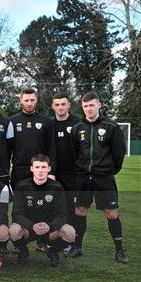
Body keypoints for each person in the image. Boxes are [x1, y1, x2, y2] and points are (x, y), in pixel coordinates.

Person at [70, 91, 128, 263]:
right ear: (82, 107)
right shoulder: (77, 128)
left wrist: (106, 171)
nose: (89, 108)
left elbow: (119, 155)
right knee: (80, 211)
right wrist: (82, 170)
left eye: (92, 105)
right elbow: (73, 154)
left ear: (99, 105)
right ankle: (78, 247)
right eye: (86, 106)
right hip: (82, 178)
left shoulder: (111, 126)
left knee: (111, 213)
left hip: (104, 178)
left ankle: (119, 250)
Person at [9, 154, 75, 267]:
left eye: (44, 167)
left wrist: (50, 226)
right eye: (37, 167)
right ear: (31, 168)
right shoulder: (22, 186)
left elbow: (63, 214)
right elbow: (16, 214)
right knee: (13, 230)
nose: (40, 170)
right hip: (28, 229)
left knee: (70, 232)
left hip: (49, 229)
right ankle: (23, 251)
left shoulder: (56, 187)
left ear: (49, 169)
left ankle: (52, 251)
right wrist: (31, 226)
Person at [50, 92, 81, 256]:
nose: (60, 107)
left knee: (75, 210)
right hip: (54, 175)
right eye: (57, 104)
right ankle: (55, 243)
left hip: (74, 174)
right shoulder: (49, 124)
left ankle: (76, 244)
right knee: (55, 209)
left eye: (63, 104)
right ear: (52, 106)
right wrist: (50, 171)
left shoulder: (78, 123)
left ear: (69, 105)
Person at [9, 87, 56, 189]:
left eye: (32, 100)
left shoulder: (46, 121)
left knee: (40, 202)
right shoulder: (12, 121)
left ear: (36, 100)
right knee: (20, 202)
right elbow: (7, 148)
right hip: (19, 169)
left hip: (40, 169)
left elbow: (51, 148)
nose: (29, 103)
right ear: (21, 100)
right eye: (26, 100)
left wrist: (51, 171)